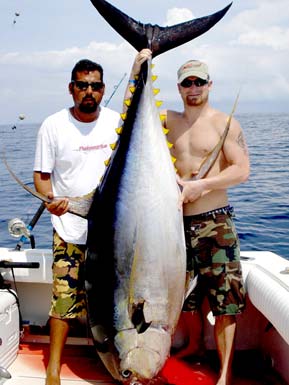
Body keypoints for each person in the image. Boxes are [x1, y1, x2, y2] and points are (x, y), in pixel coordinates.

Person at [127, 49, 250, 385]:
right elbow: (129, 116)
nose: (193, 88)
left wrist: (203, 186)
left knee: (225, 301)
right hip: (175, 227)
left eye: (199, 82)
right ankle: (195, 345)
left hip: (215, 221)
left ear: (210, 84)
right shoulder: (166, 121)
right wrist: (137, 67)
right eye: (187, 83)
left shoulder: (225, 124)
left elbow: (242, 171)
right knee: (185, 298)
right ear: (179, 88)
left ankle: (225, 374)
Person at [33, 59, 120, 385]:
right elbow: (41, 177)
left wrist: (141, 65)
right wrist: (50, 201)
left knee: (114, 303)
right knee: (64, 300)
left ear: (102, 89)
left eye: (95, 86)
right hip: (69, 229)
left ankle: (114, 361)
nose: (89, 91)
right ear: (71, 88)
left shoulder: (117, 121)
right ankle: (53, 370)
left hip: (113, 232)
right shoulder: (53, 126)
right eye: (82, 85)